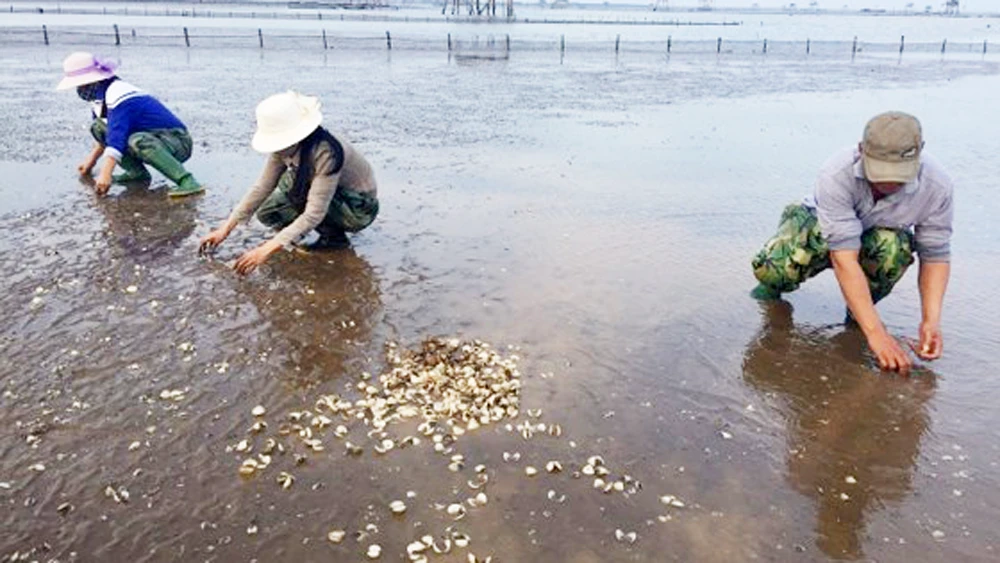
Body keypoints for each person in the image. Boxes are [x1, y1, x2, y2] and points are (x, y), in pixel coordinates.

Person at [750, 112, 953, 374]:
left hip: (877, 237)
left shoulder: (938, 186)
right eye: (881, 171)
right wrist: (877, 334)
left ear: (919, 154)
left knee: (893, 249)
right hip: (818, 227)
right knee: (773, 267)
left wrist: (931, 321)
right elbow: (843, 257)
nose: (889, 183)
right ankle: (769, 290)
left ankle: (858, 314)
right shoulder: (836, 173)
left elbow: (935, 254)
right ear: (861, 151)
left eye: (899, 174)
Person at [199, 91, 379, 274]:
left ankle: (333, 238)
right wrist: (225, 228)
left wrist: (267, 248)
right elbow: (262, 187)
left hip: (357, 206)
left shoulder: (326, 152)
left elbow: (314, 213)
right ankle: (296, 232)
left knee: (304, 198)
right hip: (327, 194)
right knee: (268, 212)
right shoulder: (283, 148)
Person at [57, 52, 204, 198]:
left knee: (138, 141)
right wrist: (90, 161)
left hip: (177, 140)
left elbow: (116, 136)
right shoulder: (99, 98)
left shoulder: (118, 93)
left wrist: (105, 173)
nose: (80, 90)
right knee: (97, 126)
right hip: (153, 137)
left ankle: (187, 181)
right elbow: (106, 132)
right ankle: (137, 173)